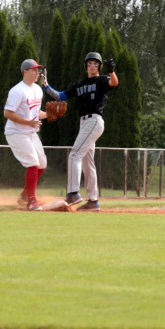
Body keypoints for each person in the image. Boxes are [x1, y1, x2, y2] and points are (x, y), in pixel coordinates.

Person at [42, 52, 118, 211]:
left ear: (99, 67)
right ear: (86, 66)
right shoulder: (80, 84)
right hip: (85, 123)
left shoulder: (102, 80)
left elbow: (114, 82)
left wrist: (111, 71)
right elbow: (61, 96)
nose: (92, 66)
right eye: (90, 64)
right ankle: (93, 201)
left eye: (96, 64)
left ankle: (73, 193)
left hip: (94, 120)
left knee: (74, 154)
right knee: (87, 162)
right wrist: (46, 85)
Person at [4, 59, 48, 211]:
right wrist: (28, 122)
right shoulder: (17, 90)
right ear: (25, 72)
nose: (37, 73)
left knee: (42, 164)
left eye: (38, 70)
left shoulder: (37, 89)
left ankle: (24, 195)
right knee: (32, 163)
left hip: (30, 132)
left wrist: (48, 114)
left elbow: (36, 114)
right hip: (16, 132)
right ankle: (31, 201)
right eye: (34, 70)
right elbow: (8, 113)